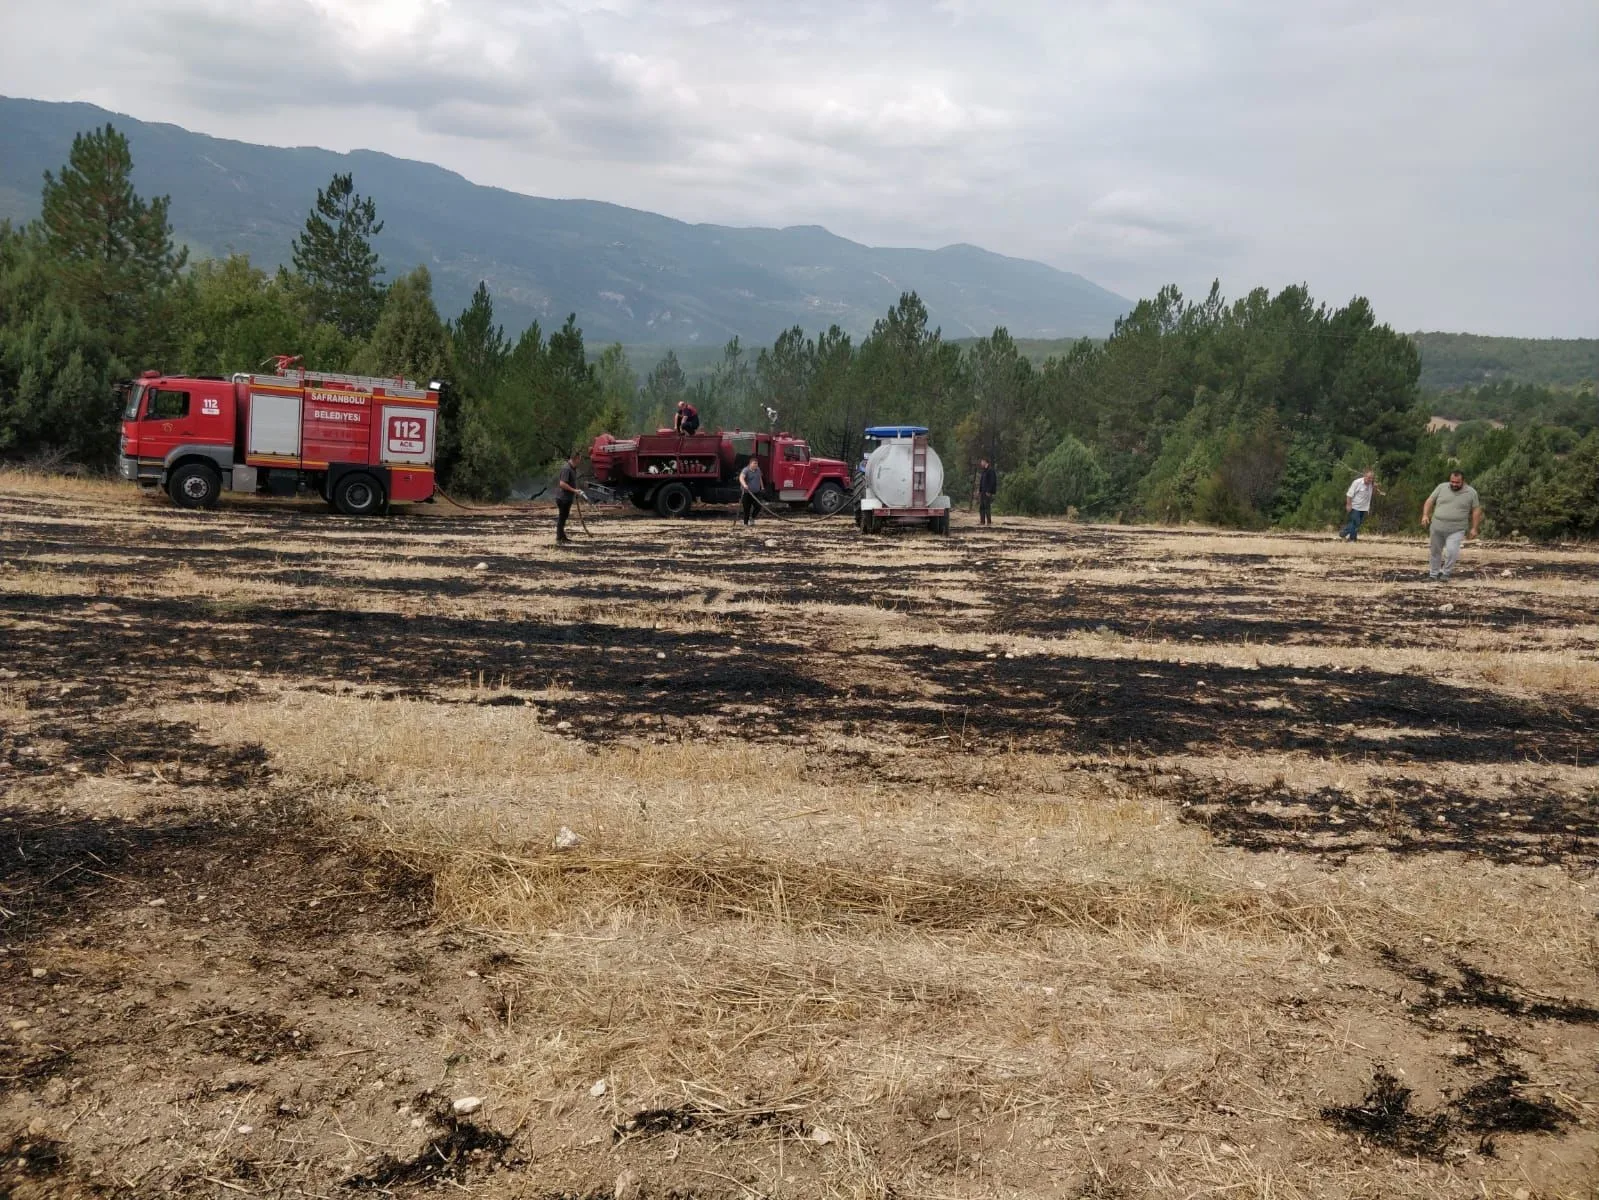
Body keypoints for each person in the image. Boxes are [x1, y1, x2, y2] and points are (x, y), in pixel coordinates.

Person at [1420, 469, 1482, 581]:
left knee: (1452, 551)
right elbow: (1430, 500)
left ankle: (1446, 573)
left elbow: (1476, 510)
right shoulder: (1441, 487)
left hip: (1456, 528)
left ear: (1463, 481)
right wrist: (1425, 515)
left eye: (1457, 482)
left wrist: (1474, 528)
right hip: (1437, 526)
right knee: (1435, 551)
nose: (1454, 484)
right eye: (1452, 481)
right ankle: (1433, 575)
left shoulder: (1471, 493)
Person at [1338, 468, 1383, 541]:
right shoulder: (1357, 482)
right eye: (1368, 478)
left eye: (1371, 478)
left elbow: (1373, 494)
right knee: (1356, 522)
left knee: (1357, 524)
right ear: (1365, 476)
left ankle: (1345, 533)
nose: (1370, 480)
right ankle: (1351, 538)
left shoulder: (1371, 484)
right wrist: (1348, 505)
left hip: (1364, 507)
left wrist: (1376, 487)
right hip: (1355, 506)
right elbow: (1349, 494)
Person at [555, 450, 585, 544]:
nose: (580, 461)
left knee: (564, 516)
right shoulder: (566, 469)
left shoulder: (573, 468)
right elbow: (562, 484)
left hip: (567, 498)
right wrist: (574, 490)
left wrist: (575, 490)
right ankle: (560, 537)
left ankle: (561, 536)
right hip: (563, 498)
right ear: (575, 458)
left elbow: (570, 483)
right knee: (562, 517)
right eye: (579, 458)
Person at [737, 456, 763, 526]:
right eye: (754, 463)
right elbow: (741, 478)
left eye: (757, 464)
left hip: (756, 492)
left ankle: (752, 518)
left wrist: (762, 487)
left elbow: (759, 477)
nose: (756, 465)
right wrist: (744, 485)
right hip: (747, 493)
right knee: (747, 509)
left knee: (758, 506)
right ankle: (745, 523)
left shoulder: (758, 469)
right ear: (750, 464)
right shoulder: (746, 470)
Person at [977, 458, 997, 526]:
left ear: (986, 462)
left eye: (982, 462)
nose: (981, 463)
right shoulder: (984, 471)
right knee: (981, 507)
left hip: (987, 492)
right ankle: (982, 522)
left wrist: (989, 491)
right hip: (982, 492)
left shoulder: (990, 471)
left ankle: (989, 522)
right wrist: (979, 491)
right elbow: (981, 482)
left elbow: (992, 482)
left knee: (987, 507)